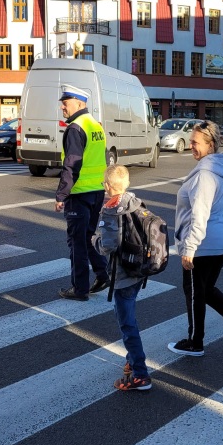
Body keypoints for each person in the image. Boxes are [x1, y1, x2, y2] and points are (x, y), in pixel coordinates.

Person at [168, 120, 223, 358]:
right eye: (190, 141)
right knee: (205, 291)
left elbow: (200, 215)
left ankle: (195, 343)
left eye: (195, 142)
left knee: (195, 292)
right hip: (221, 242)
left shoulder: (205, 175)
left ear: (210, 145)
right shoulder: (218, 169)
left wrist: (189, 247)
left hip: (204, 244)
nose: (191, 146)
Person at [92, 164, 152, 391]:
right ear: (126, 184)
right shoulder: (135, 202)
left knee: (127, 324)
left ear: (107, 187)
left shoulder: (110, 210)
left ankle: (141, 375)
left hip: (123, 275)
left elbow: (107, 246)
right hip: (138, 271)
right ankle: (132, 358)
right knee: (127, 317)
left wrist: (93, 240)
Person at [54, 84, 110, 301]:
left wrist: (62, 195)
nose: (62, 107)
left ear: (79, 103)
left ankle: (80, 289)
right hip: (96, 191)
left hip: (79, 194)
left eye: (65, 103)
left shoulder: (76, 128)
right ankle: (102, 274)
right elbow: (103, 157)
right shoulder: (95, 125)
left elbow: (72, 165)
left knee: (77, 242)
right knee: (87, 237)